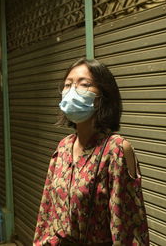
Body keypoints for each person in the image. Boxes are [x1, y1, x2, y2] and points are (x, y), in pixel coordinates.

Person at [33, 58, 149, 245]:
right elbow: (46, 213)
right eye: (67, 85)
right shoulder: (63, 147)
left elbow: (128, 229)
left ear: (103, 95)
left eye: (83, 84)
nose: (72, 91)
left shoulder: (116, 150)